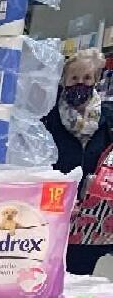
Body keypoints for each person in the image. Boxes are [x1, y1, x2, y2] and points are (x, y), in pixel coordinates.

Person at [42, 48, 113, 276]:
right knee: (47, 270)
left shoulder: (108, 119)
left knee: (79, 276)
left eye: (87, 78)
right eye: (74, 78)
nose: (80, 84)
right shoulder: (48, 116)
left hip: (90, 218)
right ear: (64, 81)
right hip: (54, 208)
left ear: (96, 80)